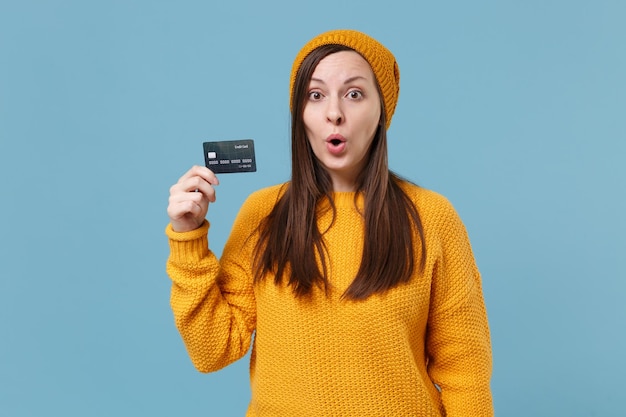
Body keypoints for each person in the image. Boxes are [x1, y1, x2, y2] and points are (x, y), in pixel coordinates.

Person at [165, 29, 493, 416]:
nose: (333, 113)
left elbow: (465, 374)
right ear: (300, 113)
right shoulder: (262, 214)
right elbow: (212, 350)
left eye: (354, 94)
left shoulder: (432, 217)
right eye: (315, 95)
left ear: (382, 109)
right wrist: (188, 239)